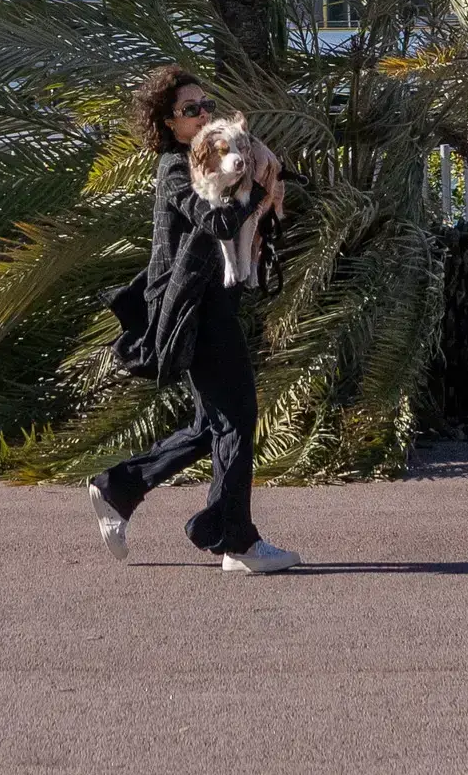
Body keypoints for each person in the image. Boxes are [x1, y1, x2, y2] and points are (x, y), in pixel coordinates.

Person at [88, 65, 301, 575]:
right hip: (193, 311)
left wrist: (267, 179)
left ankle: (121, 488)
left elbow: (249, 217)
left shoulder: (206, 159)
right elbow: (216, 219)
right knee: (237, 418)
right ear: (167, 123)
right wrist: (248, 185)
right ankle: (237, 542)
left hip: (214, 304)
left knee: (215, 423)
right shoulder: (175, 171)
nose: (204, 115)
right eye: (191, 110)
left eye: (207, 106)